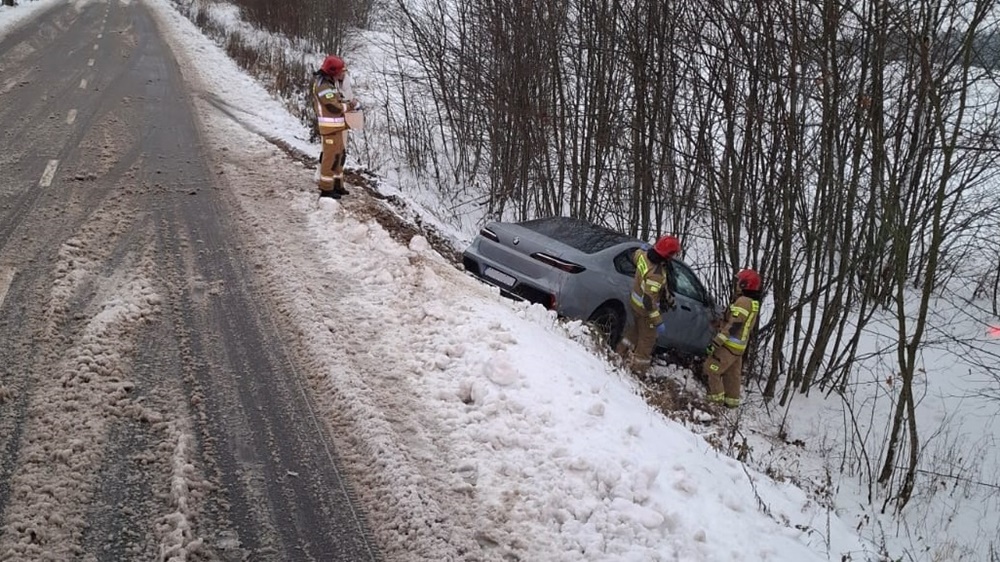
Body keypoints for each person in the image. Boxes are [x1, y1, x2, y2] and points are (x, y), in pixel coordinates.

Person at [616, 235, 681, 375]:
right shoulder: (656, 274)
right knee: (646, 341)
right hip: (646, 312)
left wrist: (642, 249)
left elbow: (635, 255)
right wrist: (658, 321)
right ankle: (637, 371)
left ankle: (619, 353)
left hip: (635, 305)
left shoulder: (644, 256)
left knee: (634, 332)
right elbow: (648, 301)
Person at [703, 268, 763, 409]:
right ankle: (731, 404)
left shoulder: (743, 301)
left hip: (729, 346)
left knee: (712, 369)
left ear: (744, 284)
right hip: (739, 348)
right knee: (732, 376)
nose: (736, 283)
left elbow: (734, 326)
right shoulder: (753, 303)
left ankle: (714, 403)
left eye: (739, 281)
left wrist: (716, 343)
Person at [311, 55, 359, 199]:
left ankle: (337, 185)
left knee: (339, 157)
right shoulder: (323, 86)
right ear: (333, 72)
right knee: (330, 158)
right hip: (329, 129)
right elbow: (333, 106)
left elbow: (337, 100)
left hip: (337, 128)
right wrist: (350, 105)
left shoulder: (330, 83)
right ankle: (326, 189)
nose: (343, 74)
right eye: (341, 71)